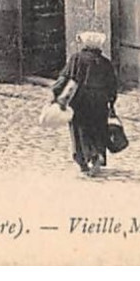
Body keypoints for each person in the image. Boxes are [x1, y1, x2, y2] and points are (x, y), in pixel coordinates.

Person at [52, 30, 118, 176]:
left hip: (80, 101)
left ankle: (84, 159)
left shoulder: (77, 59)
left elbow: (65, 78)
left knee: (80, 130)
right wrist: (111, 102)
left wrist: (56, 93)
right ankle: (97, 155)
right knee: (98, 129)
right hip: (100, 101)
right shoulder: (105, 63)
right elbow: (113, 85)